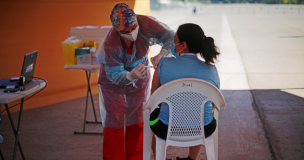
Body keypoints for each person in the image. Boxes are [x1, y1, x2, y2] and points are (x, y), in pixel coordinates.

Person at [96, 3, 174, 160]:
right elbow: (114, 75)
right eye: (125, 32)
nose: (131, 33)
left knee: (137, 122)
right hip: (113, 86)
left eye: (133, 28)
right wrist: (129, 76)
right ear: (117, 30)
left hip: (140, 80)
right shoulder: (111, 43)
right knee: (114, 126)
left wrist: (162, 54)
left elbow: (171, 37)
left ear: (136, 20)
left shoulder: (146, 24)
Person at [150, 23, 220, 160]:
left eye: (175, 41)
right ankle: (191, 159)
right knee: (203, 113)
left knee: (152, 117)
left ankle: (161, 158)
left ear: (183, 45)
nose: (173, 44)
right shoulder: (211, 70)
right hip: (204, 129)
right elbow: (213, 103)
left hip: (166, 128)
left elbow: (154, 98)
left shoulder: (163, 65)